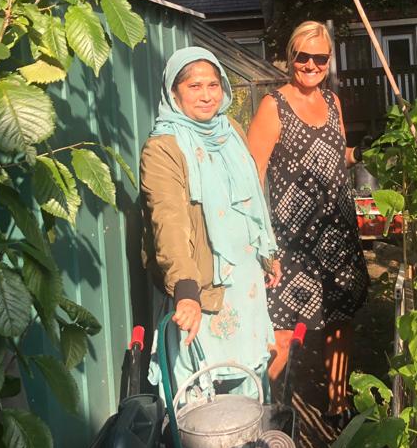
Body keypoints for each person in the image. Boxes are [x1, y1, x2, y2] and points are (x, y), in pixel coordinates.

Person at [140, 47, 280, 400]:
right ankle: (198, 438)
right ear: (174, 92)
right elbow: (168, 222)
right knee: (202, 387)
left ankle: (252, 432)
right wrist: (185, 291)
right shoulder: (163, 148)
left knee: (250, 376)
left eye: (213, 85)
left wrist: (267, 252)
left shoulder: (230, 130)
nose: (206, 95)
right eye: (194, 86)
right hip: (203, 286)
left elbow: (251, 197)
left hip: (245, 281)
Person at [247, 21, 369, 426]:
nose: (312, 65)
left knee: (339, 320)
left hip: (338, 234)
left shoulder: (333, 102)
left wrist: (360, 153)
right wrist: (262, 242)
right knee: (282, 330)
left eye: (321, 58)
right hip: (291, 241)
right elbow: (253, 174)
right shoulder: (273, 106)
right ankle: (262, 411)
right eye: (304, 56)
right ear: (290, 57)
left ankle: (338, 404)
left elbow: (335, 153)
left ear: (329, 60)